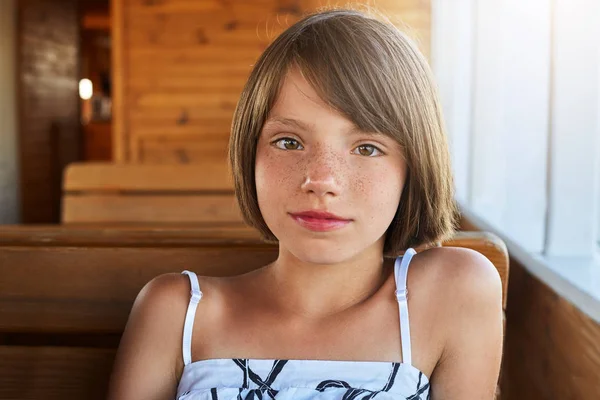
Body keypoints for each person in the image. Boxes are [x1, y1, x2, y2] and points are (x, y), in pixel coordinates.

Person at [107, 7, 503, 400]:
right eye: (289, 142)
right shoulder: (177, 313)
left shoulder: (452, 294)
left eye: (366, 147)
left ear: (413, 167)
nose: (321, 181)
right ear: (251, 154)